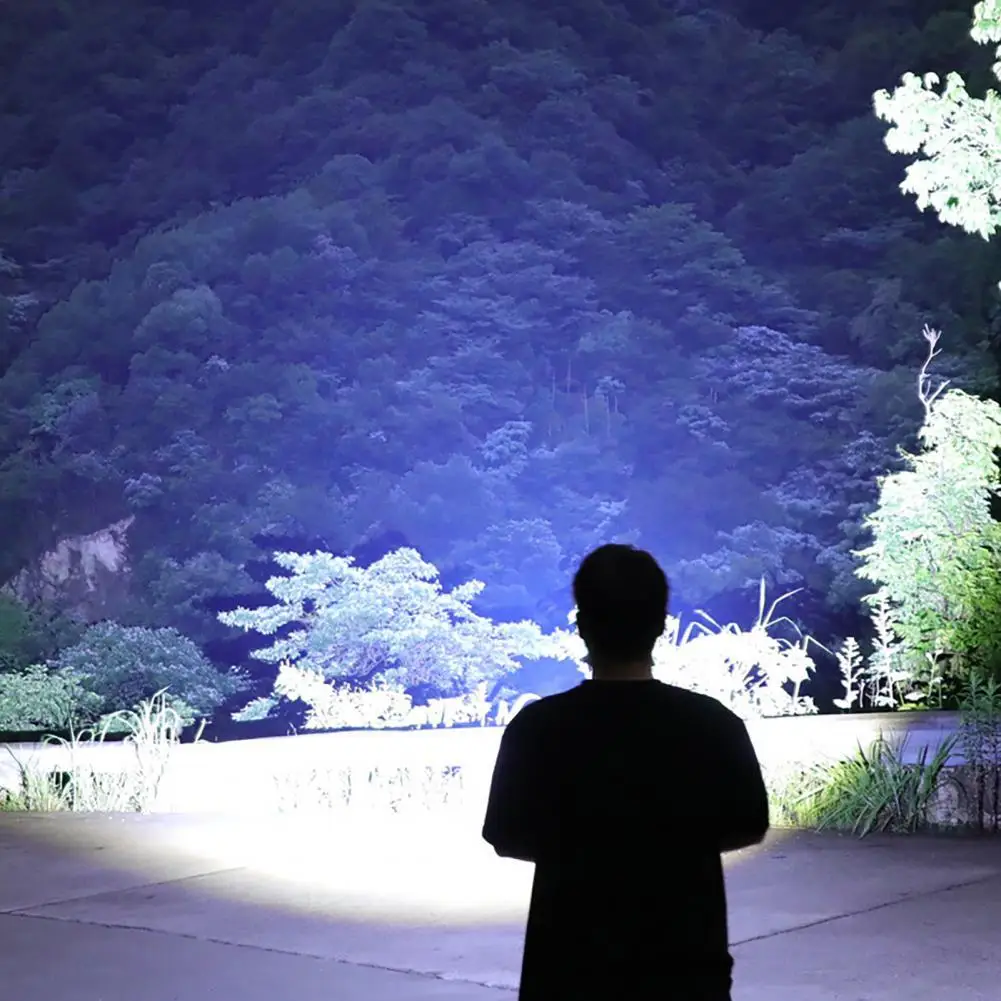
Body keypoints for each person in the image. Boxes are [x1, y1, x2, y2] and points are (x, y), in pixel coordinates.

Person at [482, 543, 770, 1001]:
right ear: (660, 625)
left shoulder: (536, 728)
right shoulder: (713, 723)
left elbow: (505, 835)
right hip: (687, 969)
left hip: (568, 971)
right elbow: (750, 824)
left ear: (582, 626)